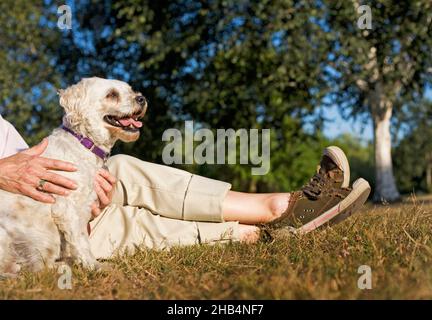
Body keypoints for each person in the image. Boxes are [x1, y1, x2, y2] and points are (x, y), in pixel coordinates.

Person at [0, 114, 369, 259]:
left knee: (120, 168)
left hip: (50, 211)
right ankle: (261, 233)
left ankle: (281, 209)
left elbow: (33, 166)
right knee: (128, 228)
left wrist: (79, 187)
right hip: (29, 241)